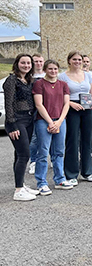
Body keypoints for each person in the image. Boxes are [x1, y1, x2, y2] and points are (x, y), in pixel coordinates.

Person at [33, 59, 74, 195]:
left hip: (60, 121)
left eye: (55, 69)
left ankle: (59, 179)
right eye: (50, 69)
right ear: (45, 70)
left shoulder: (63, 84)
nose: (53, 71)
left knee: (59, 152)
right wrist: (51, 122)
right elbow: (39, 105)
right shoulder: (39, 84)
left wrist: (59, 121)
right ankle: (41, 182)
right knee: (43, 152)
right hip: (44, 121)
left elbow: (66, 104)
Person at [59, 51, 92, 185]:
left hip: (87, 109)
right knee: (72, 141)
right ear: (69, 61)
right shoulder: (63, 77)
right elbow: (59, 96)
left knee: (87, 140)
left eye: (79, 59)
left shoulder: (88, 75)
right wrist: (71, 104)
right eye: (74, 59)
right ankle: (71, 174)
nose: (77, 62)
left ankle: (87, 172)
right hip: (72, 109)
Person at [5, 54, 39, 201]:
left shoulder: (29, 80)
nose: (26, 65)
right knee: (25, 154)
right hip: (17, 120)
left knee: (19, 155)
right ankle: (18, 191)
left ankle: (21, 184)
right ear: (17, 63)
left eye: (28, 63)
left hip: (29, 119)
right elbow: (9, 104)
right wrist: (12, 125)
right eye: (23, 63)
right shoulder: (11, 80)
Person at [28, 53, 46, 175]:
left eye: (40, 61)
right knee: (34, 138)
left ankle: (47, 159)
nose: (38, 64)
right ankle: (33, 162)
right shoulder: (29, 77)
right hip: (33, 111)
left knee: (48, 137)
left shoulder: (48, 75)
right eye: (36, 61)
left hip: (48, 110)